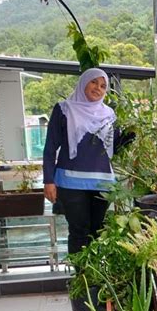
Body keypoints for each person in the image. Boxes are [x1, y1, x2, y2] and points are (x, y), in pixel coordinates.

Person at [43, 67, 126, 254]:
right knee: (79, 231)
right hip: (71, 182)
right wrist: (48, 180)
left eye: (103, 86)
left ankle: (94, 278)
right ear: (83, 83)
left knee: (96, 232)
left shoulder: (109, 114)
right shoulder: (64, 109)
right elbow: (50, 148)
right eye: (94, 82)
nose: (98, 88)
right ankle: (81, 278)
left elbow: (112, 147)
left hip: (102, 182)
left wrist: (130, 136)